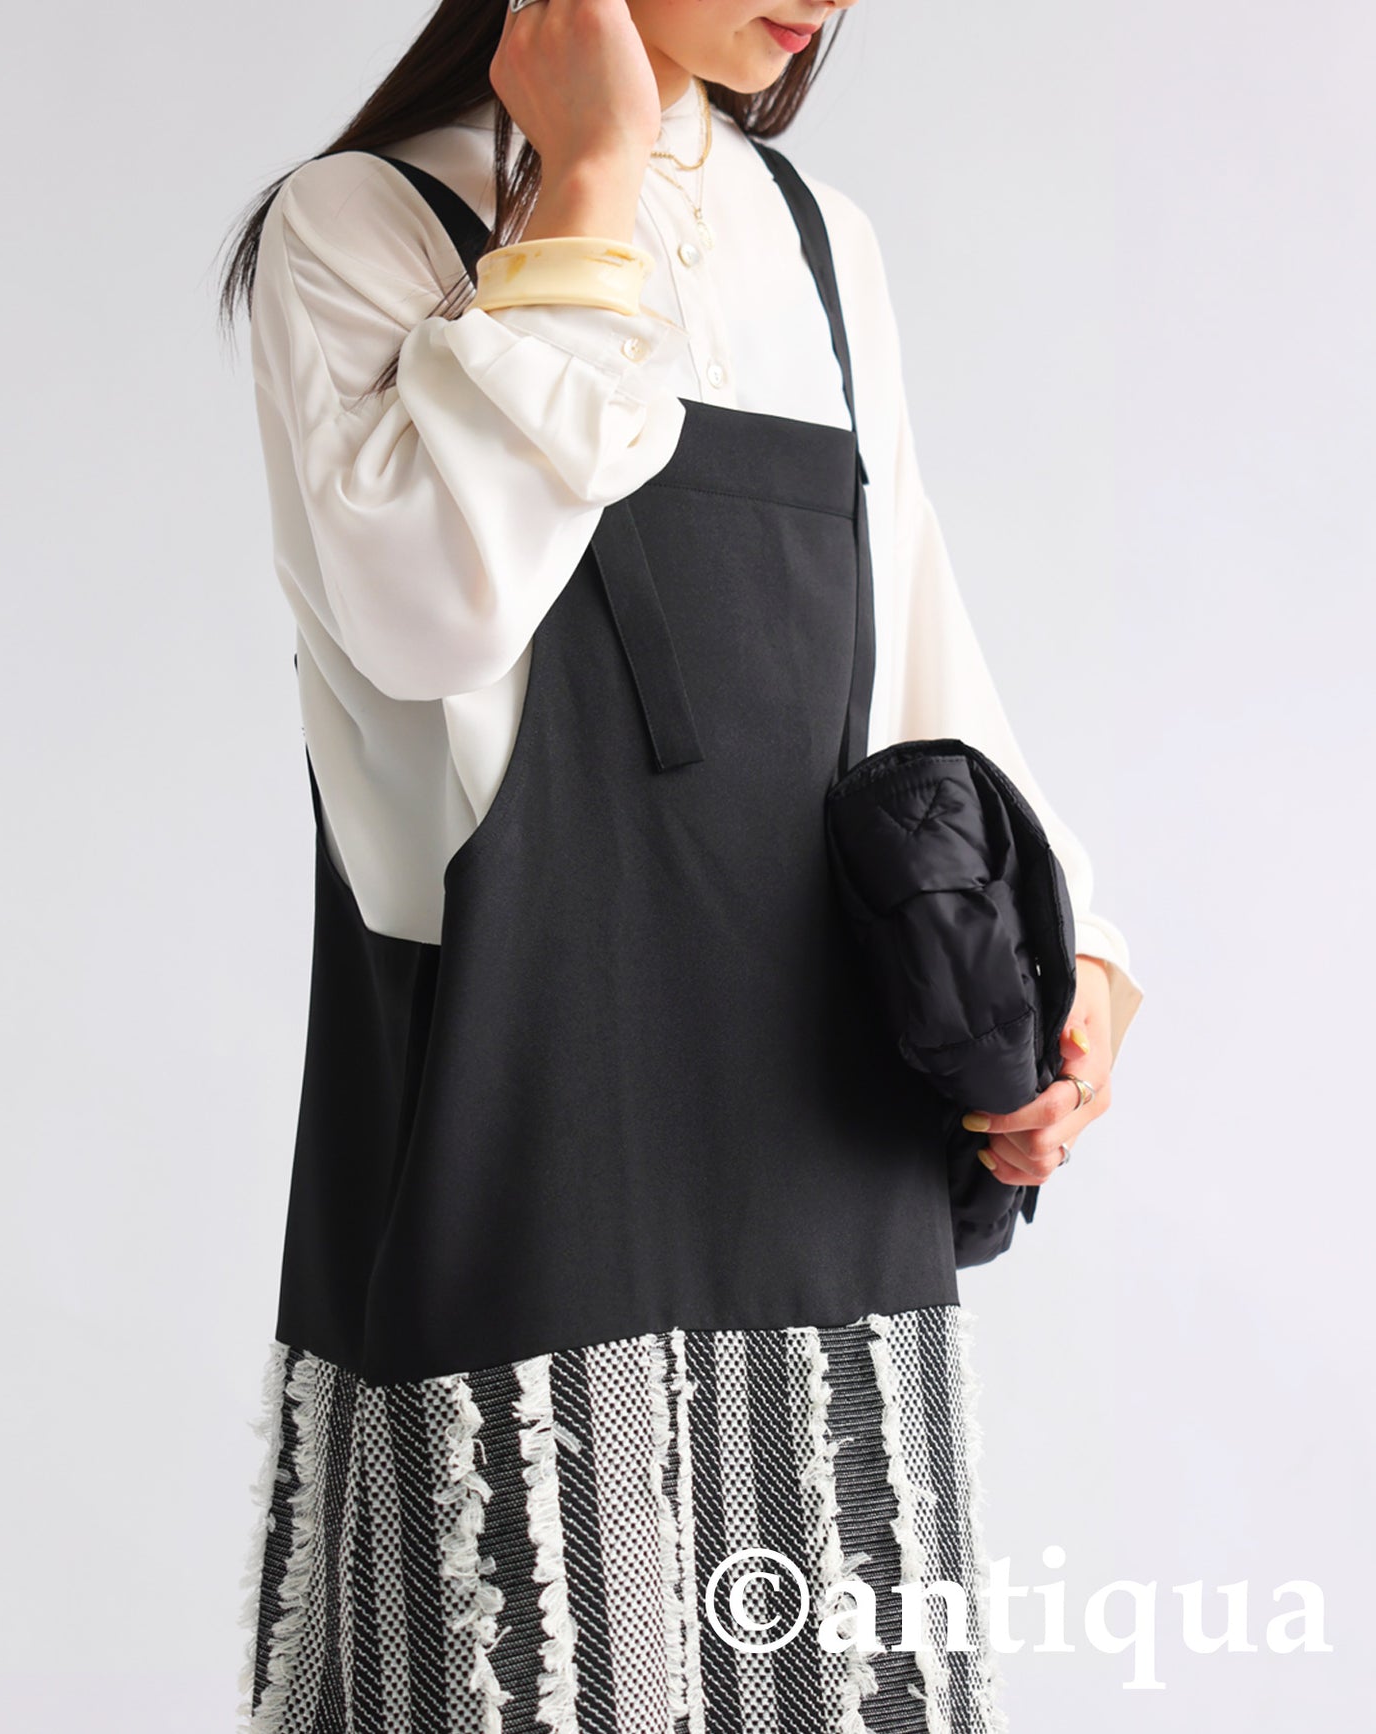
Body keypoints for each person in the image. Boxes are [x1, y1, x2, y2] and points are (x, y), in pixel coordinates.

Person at [219, 1, 1145, 1729]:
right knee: (526, 1667)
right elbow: (427, 615)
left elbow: (915, 659)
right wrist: (586, 187)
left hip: (821, 1144)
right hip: (527, 1126)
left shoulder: (815, 237)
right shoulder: (359, 226)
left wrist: (1070, 946)